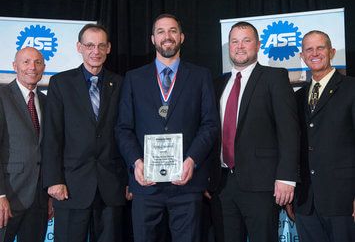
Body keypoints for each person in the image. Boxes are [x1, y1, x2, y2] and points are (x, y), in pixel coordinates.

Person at [116, 13, 219, 242]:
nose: (167, 36)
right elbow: (123, 128)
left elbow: (210, 124)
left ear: (182, 37)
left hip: (186, 181)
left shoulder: (200, 76)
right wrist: (136, 163)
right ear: (153, 39)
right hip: (146, 183)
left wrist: (192, 159)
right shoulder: (133, 78)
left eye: (172, 31)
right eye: (161, 31)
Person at [212, 21, 300, 242]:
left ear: (258, 44)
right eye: (234, 41)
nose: (239, 46)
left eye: (246, 40)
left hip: (262, 184)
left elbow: (289, 130)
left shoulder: (274, 77)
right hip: (222, 184)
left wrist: (287, 177)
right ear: (229, 47)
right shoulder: (217, 84)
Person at [41, 24, 127, 242]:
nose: (95, 51)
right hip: (70, 186)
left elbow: (126, 133)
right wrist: (54, 180)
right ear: (79, 47)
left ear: (108, 48)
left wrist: (129, 181)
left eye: (100, 45)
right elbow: (52, 135)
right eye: (89, 45)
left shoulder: (121, 84)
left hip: (111, 186)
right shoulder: (60, 83)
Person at [286, 30, 355, 242]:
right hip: (305, 200)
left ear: (332, 51)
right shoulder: (295, 97)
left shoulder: (351, 88)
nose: (314, 53)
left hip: (342, 200)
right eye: (309, 49)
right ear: (302, 56)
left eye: (320, 48)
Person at [0, 47, 52, 242]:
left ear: (44, 68)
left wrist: (49, 196)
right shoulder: (2, 96)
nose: (32, 67)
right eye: (26, 62)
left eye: (38, 62)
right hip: (8, 196)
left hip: (39, 200)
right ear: (15, 66)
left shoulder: (48, 102)